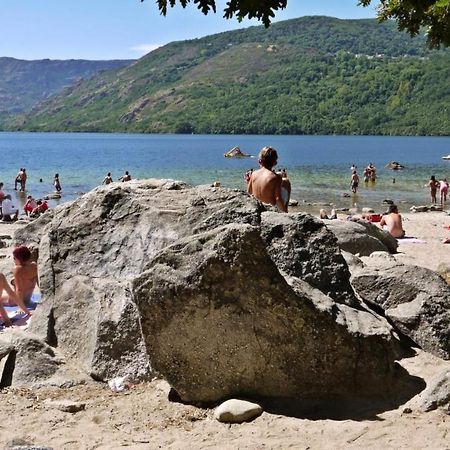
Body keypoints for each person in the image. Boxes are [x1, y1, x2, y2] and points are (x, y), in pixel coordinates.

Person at [247, 146, 288, 212]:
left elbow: (249, 192)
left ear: (259, 161)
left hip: (258, 207)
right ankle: (286, 209)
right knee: (286, 182)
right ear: (275, 163)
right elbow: (278, 198)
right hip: (270, 208)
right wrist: (285, 212)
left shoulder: (254, 173)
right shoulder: (276, 177)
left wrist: (247, 182)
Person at [1, 246, 36, 316]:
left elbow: (19, 290)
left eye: (15, 258)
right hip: (28, 299)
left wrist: (21, 307)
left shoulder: (18, 270)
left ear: (19, 258)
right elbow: (37, 282)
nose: (14, 260)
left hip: (15, 301)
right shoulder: (34, 265)